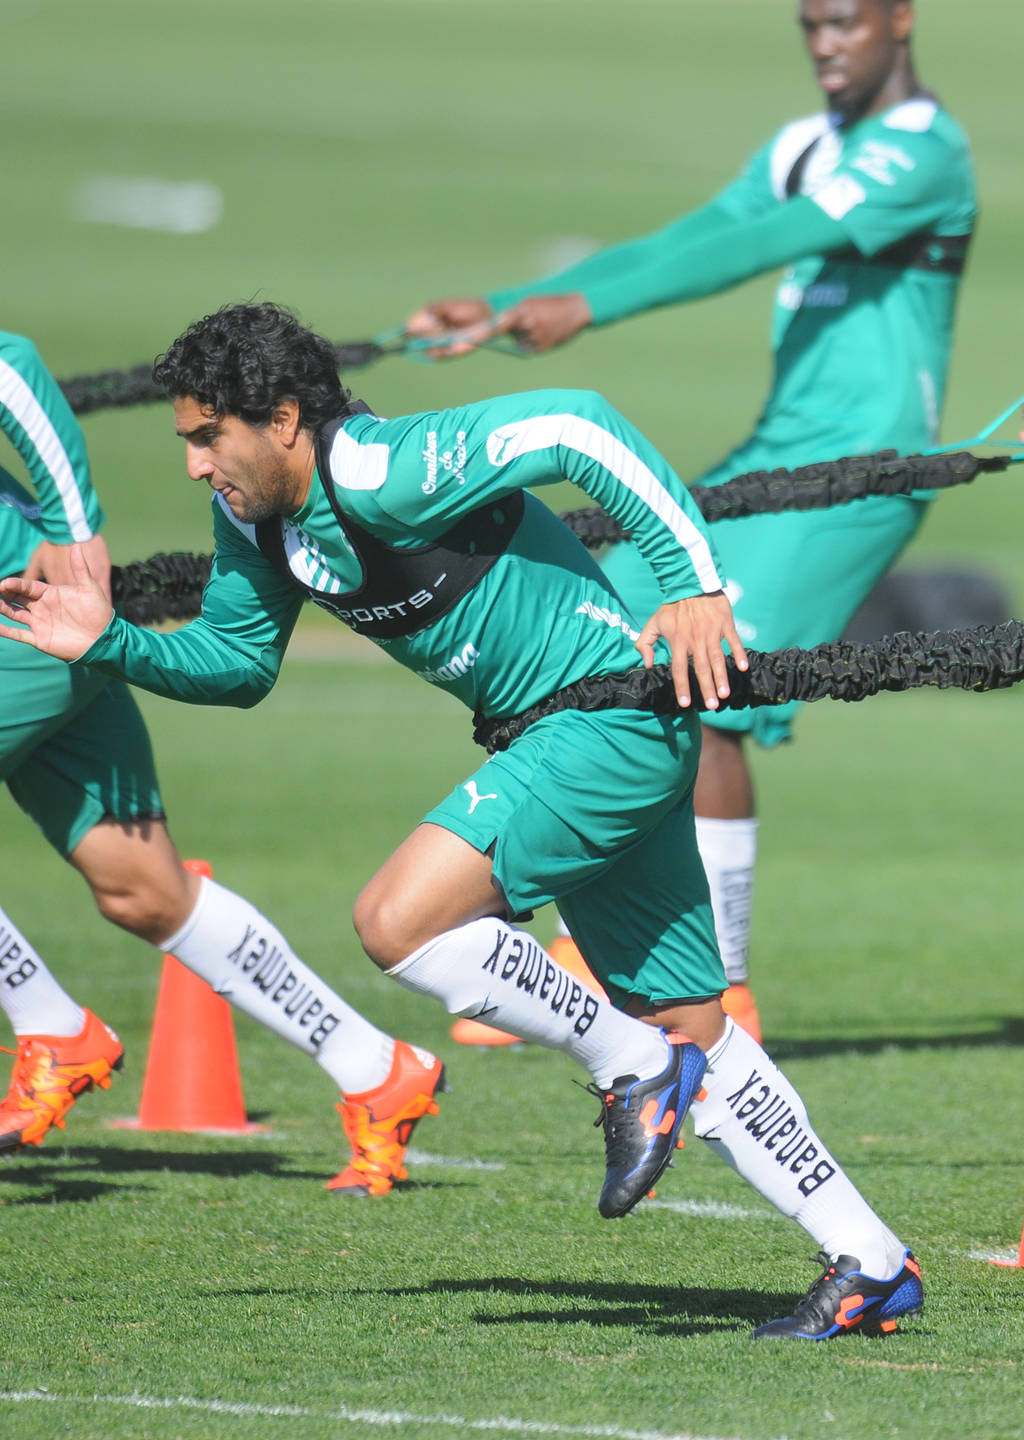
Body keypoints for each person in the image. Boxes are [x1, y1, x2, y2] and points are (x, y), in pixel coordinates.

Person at [0, 302, 924, 1337]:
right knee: (692, 1025)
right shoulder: (255, 519)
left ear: (287, 419)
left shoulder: (384, 467)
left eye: (208, 436)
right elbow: (237, 666)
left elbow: (577, 423)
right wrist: (105, 641)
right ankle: (869, 1259)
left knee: (398, 921)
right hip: (579, 741)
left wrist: (694, 585)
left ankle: (628, 1063)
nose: (191, 466)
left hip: (599, 727)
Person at [405, 0, 978, 1044]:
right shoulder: (807, 143)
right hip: (775, 451)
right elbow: (696, 234)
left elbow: (770, 242)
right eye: (808, 23)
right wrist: (511, 302)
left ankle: (724, 990)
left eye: (844, 21)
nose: (823, 42)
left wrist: (587, 311)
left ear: (901, 19)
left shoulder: (923, 150)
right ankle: (611, 947)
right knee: (620, 639)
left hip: (864, 470)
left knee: (711, 679)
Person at [0, 327, 447, 1198]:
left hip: (27, 611)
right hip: (56, 629)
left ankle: (49, 1024)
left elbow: (8, 362)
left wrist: (73, 525)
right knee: (145, 891)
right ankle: (376, 1067)